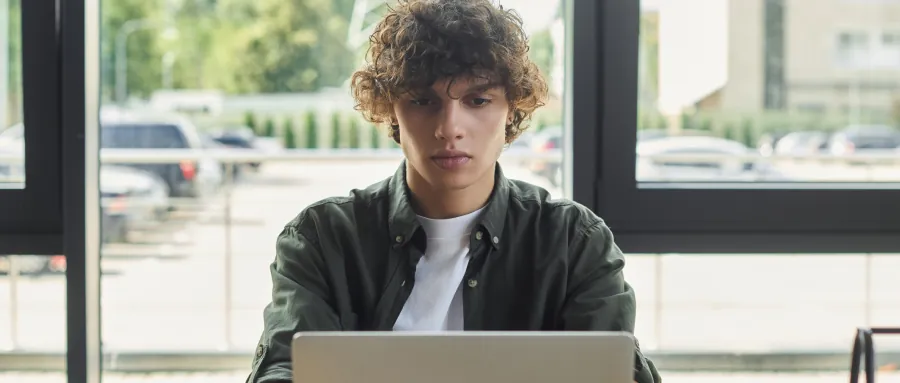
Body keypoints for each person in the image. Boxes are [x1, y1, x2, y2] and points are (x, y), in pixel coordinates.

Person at [246, 0, 661, 382]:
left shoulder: (573, 242)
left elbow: (616, 370)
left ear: (510, 109)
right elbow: (284, 368)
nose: (449, 128)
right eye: (423, 102)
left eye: (477, 100)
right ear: (391, 109)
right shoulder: (323, 238)